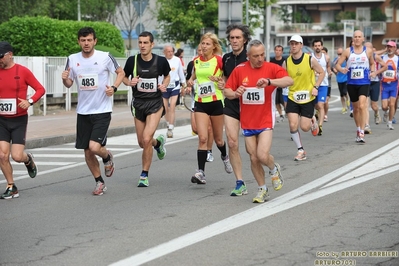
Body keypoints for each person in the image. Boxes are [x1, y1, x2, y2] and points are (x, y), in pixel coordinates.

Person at [224, 39, 293, 203]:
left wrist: (270, 82)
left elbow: (289, 81)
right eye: (256, 56)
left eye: (262, 54)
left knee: (262, 155)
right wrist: (235, 93)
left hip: (265, 121)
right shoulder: (240, 70)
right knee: (253, 158)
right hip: (247, 123)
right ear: (248, 56)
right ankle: (262, 189)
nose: (260, 58)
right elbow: (227, 90)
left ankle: (273, 167)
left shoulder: (271, 68)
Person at [62, 27, 125, 195]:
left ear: (94, 41)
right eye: (83, 40)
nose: (86, 43)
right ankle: (99, 182)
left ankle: (106, 156)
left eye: (89, 40)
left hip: (102, 110)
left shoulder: (104, 57)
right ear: (79, 42)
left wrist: (114, 87)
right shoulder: (72, 59)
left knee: (95, 147)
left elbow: (120, 72)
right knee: (87, 151)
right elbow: (69, 84)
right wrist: (65, 80)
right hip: (83, 111)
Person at [122, 31, 171, 187]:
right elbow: (123, 76)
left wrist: (165, 84)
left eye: (145, 43)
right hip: (138, 104)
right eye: (140, 43)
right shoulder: (132, 61)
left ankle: (144, 175)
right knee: (142, 143)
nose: (142, 46)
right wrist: (129, 82)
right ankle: (158, 144)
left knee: (146, 138)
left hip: (155, 103)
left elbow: (167, 75)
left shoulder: (161, 61)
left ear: (152, 44)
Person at [0, 41, 45, 199]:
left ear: (10, 55)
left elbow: (40, 89)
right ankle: (11, 186)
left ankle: (28, 159)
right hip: (1, 120)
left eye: (1, 57)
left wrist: (30, 101)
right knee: (2, 155)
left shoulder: (22, 71)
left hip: (18, 119)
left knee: (17, 156)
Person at [186, 32, 232, 185]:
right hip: (200, 103)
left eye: (207, 44)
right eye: (203, 44)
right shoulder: (196, 61)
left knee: (219, 140)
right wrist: (189, 83)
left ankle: (225, 157)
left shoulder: (219, 61)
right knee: (203, 138)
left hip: (216, 102)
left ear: (213, 46)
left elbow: (227, 78)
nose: (204, 46)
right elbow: (192, 77)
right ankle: (201, 172)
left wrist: (221, 81)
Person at [282, 35, 325, 160]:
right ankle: (300, 150)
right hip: (292, 97)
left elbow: (322, 72)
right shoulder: (287, 62)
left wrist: (316, 86)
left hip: (308, 98)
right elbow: (282, 77)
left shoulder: (309, 60)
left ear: (301, 45)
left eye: (296, 44)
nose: (293, 46)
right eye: (291, 44)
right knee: (292, 124)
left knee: (304, 128)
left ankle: (312, 120)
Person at [222, 24, 251, 196]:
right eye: (232, 38)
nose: (234, 41)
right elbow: (226, 80)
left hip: (250, 105)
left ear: (245, 40)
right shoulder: (226, 58)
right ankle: (240, 182)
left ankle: (267, 168)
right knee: (232, 143)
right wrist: (223, 85)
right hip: (231, 104)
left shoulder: (250, 58)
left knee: (252, 150)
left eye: (238, 38)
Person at [335, 30, 376, 143]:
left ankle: (362, 132)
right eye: (355, 37)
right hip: (352, 83)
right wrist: (342, 69)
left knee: (363, 106)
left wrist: (372, 71)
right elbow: (337, 64)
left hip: (364, 82)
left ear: (363, 39)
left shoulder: (368, 51)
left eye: (359, 37)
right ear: (353, 39)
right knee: (356, 108)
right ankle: (358, 129)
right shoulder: (348, 51)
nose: (357, 39)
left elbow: (372, 63)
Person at [185, 45, 214, 161]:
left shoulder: (214, 62)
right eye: (199, 51)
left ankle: (208, 150)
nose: (201, 52)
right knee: (196, 128)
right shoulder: (193, 64)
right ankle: (204, 142)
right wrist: (188, 86)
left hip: (211, 98)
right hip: (196, 98)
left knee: (209, 128)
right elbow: (189, 79)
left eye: (203, 50)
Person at [162, 44, 186, 138]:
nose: (170, 53)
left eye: (172, 51)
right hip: (164, 86)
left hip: (175, 86)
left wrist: (183, 84)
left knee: (172, 106)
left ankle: (170, 128)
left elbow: (180, 72)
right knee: (165, 108)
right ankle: (168, 123)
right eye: (168, 51)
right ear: (164, 52)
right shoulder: (162, 60)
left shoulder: (177, 60)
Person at [364, 42, 387, 133]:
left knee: (374, 105)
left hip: (375, 82)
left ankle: (377, 113)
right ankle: (366, 125)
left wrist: (376, 73)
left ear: (372, 49)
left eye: (368, 48)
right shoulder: (360, 56)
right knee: (365, 104)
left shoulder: (375, 56)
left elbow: (385, 66)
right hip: (365, 83)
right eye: (365, 48)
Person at [311, 40, 331, 135]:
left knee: (320, 105)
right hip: (312, 85)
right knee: (315, 106)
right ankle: (316, 116)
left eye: (319, 45)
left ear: (322, 47)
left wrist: (329, 72)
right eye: (315, 46)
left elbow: (328, 67)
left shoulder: (326, 57)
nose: (317, 47)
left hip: (323, 84)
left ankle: (320, 126)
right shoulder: (309, 57)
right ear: (313, 47)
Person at [380, 41, 398, 130]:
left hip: (394, 84)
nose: (389, 48)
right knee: (384, 106)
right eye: (388, 47)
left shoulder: (397, 59)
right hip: (384, 85)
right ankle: (386, 112)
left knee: (392, 104)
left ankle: (390, 122)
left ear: (395, 48)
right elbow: (373, 55)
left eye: (391, 47)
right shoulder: (382, 57)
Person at [270, 45, 286, 123]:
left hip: (282, 84)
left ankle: (288, 112)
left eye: (280, 50)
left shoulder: (284, 61)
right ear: (274, 51)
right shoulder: (271, 61)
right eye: (276, 50)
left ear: (282, 52)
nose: (278, 52)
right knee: (276, 102)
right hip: (274, 84)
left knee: (283, 101)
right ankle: (281, 115)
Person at [332, 48, 350, 115]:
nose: (339, 55)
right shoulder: (336, 60)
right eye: (338, 54)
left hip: (345, 78)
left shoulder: (346, 59)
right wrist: (334, 71)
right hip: (339, 79)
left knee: (345, 92)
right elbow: (332, 66)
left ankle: (348, 100)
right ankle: (344, 107)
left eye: (340, 54)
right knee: (341, 94)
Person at [321, 47, 331, 123]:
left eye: (324, 52)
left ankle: (325, 114)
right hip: (316, 83)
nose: (323, 54)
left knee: (326, 101)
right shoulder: (314, 59)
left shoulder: (327, 59)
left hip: (326, 83)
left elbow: (329, 67)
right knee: (318, 104)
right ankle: (320, 112)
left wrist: (330, 72)